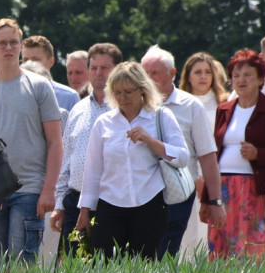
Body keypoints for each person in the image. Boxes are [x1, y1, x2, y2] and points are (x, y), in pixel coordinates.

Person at [76, 62, 189, 260]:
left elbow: (182, 157)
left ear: (142, 90)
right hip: (109, 205)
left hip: (149, 204)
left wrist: (151, 141)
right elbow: (93, 171)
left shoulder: (161, 116)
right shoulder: (104, 122)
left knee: (144, 269)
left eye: (128, 92)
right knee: (104, 269)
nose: (122, 98)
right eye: (117, 92)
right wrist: (84, 212)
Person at [0, 18, 62, 267]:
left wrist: (49, 190)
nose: (9, 48)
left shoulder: (40, 87)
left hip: (30, 189)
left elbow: (55, 142)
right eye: (2, 43)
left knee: (22, 265)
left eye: (14, 42)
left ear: (21, 46)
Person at [141, 45, 224, 258]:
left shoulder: (190, 106)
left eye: (155, 73)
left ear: (172, 73)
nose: (149, 79)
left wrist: (213, 200)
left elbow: (207, 156)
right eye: (145, 74)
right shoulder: (134, 107)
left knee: (178, 257)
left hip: (179, 195)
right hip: (141, 195)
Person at [51, 43, 122, 256]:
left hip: (113, 202)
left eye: (105, 68)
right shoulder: (78, 109)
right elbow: (66, 161)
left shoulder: (125, 110)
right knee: (75, 269)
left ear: (117, 70)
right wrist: (59, 204)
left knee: (110, 268)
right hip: (75, 200)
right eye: (94, 68)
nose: (99, 73)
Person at [205, 49, 265, 260]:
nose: (240, 80)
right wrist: (206, 198)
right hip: (223, 189)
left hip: (256, 190)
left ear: (260, 78)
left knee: (255, 247)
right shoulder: (224, 109)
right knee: (220, 248)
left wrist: (258, 154)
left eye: (247, 74)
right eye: (236, 75)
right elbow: (213, 154)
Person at [20, 35, 80, 113]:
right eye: (25, 60)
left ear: (51, 62)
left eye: (35, 60)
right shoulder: (14, 95)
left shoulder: (69, 97)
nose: (29, 64)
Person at [178, 51, 228, 126]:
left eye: (208, 72)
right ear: (188, 77)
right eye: (198, 72)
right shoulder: (179, 104)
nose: (203, 77)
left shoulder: (225, 101)